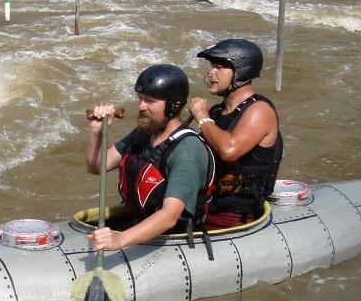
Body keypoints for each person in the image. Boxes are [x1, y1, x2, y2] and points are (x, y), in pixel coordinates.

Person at [85, 64, 214, 252]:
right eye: (140, 99)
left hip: (173, 236)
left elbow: (169, 216)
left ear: (174, 104)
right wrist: (96, 133)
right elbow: (96, 167)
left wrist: (118, 241)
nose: (141, 107)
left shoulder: (187, 151)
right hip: (140, 221)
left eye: (150, 101)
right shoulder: (145, 133)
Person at [188, 38, 283, 229]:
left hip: (236, 215)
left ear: (241, 71)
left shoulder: (259, 110)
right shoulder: (216, 112)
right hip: (206, 206)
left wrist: (202, 117)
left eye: (220, 66)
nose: (211, 72)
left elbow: (229, 150)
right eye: (212, 65)